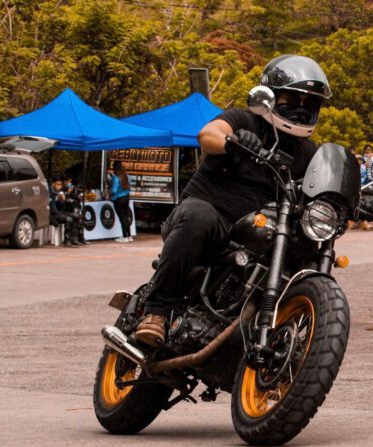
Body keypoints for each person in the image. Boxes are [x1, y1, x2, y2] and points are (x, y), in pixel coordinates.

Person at [134, 54, 331, 348]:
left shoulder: (307, 153)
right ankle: (156, 312)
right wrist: (233, 141)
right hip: (209, 222)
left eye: (309, 104)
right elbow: (208, 135)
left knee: (303, 248)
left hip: (256, 233)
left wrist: (352, 198)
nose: (301, 110)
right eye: (292, 99)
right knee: (199, 216)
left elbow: (325, 185)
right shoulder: (244, 119)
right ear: (271, 96)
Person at [109, 160, 133, 243]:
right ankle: (129, 235)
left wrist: (110, 190)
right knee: (126, 217)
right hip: (126, 197)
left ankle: (124, 236)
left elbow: (114, 190)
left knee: (122, 218)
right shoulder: (127, 176)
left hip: (119, 199)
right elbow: (130, 185)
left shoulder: (116, 178)